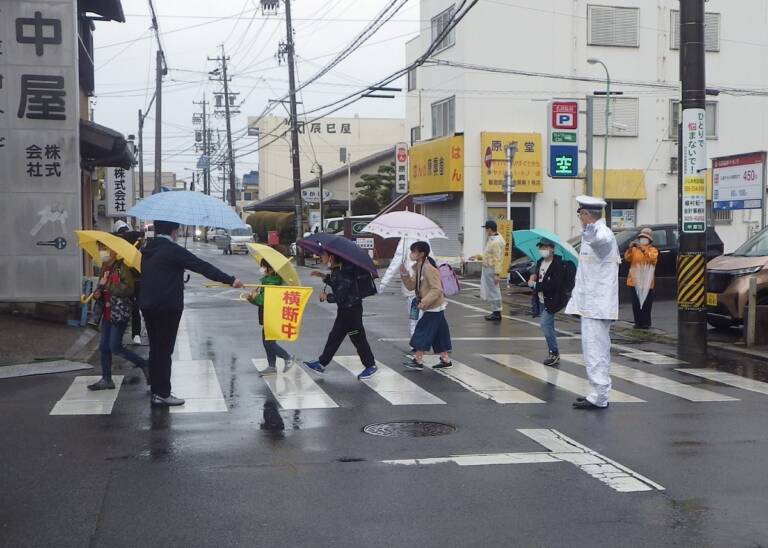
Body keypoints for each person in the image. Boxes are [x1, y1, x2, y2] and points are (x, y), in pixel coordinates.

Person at [140, 220, 243, 407]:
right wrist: (230, 280)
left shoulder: (148, 249)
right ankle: (162, 393)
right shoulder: (172, 250)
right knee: (164, 350)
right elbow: (201, 266)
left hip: (147, 305)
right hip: (167, 306)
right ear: (173, 230)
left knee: (156, 348)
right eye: (177, 229)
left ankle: (156, 389)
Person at [565, 196, 620, 410]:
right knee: (595, 349)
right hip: (592, 304)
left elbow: (601, 243)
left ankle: (599, 395)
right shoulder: (594, 232)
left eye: (580, 214)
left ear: (586, 215)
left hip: (597, 305)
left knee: (594, 349)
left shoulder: (602, 233)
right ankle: (598, 392)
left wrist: (591, 232)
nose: (579, 217)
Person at [303, 251, 378, 380]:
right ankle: (321, 363)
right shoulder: (340, 269)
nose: (321, 257)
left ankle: (370, 365)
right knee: (335, 337)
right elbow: (340, 285)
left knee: (358, 338)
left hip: (350, 311)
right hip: (347, 310)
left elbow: (341, 296)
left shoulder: (341, 271)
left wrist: (327, 296)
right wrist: (323, 276)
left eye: (323, 255)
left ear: (331, 257)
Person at [88, 246, 148, 390]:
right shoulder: (104, 267)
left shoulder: (121, 268)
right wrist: (98, 292)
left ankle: (143, 363)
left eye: (104, 249)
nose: (102, 252)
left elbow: (129, 288)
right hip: (107, 312)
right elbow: (101, 289)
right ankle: (106, 379)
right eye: (100, 249)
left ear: (114, 251)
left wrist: (108, 286)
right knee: (104, 347)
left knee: (115, 347)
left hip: (118, 312)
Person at [400, 241, 453, 370]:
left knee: (422, 332)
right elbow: (412, 286)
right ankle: (445, 359)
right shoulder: (419, 266)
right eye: (411, 251)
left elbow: (437, 289)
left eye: (414, 252)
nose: (411, 254)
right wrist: (405, 274)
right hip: (433, 306)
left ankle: (418, 360)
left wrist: (424, 302)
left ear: (422, 254)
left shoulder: (429, 268)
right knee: (439, 334)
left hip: (434, 306)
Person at [247, 259, 295, 376]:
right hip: (269, 314)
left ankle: (287, 357)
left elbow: (263, 300)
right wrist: (251, 298)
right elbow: (261, 301)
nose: (262, 268)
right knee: (267, 341)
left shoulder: (271, 283)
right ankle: (272, 366)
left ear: (271, 268)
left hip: (271, 315)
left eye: (264, 266)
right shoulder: (268, 281)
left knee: (269, 342)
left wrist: (253, 297)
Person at [528, 238, 571, 367]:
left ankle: (554, 352)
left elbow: (554, 285)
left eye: (545, 247)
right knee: (549, 326)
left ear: (552, 249)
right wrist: (532, 277)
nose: (542, 250)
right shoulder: (540, 262)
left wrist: (535, 285)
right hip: (541, 299)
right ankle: (552, 351)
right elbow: (536, 275)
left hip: (553, 300)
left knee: (545, 325)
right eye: (540, 247)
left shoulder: (558, 265)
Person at [379, 236, 429, 339]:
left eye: (413, 252)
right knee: (421, 317)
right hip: (419, 290)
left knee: (416, 318)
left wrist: (384, 282)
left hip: (415, 291)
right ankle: (422, 342)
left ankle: (417, 342)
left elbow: (396, 261)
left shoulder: (406, 239)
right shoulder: (423, 236)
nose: (411, 254)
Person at [624, 227, 658, 329]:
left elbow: (652, 259)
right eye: (642, 237)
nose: (643, 239)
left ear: (650, 240)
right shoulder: (634, 250)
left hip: (647, 282)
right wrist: (630, 248)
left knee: (647, 303)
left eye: (645, 238)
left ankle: (646, 323)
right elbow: (627, 258)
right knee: (636, 303)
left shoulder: (653, 250)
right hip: (634, 281)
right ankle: (638, 322)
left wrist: (643, 249)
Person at [477, 220, 505, 322]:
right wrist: (479, 257)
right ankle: (495, 311)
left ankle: (497, 312)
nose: (485, 231)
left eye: (486, 229)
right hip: (488, 267)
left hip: (491, 268)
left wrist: (497, 274)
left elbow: (498, 258)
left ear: (489, 229)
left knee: (494, 290)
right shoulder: (493, 239)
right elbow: (489, 254)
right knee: (491, 290)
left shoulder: (496, 242)